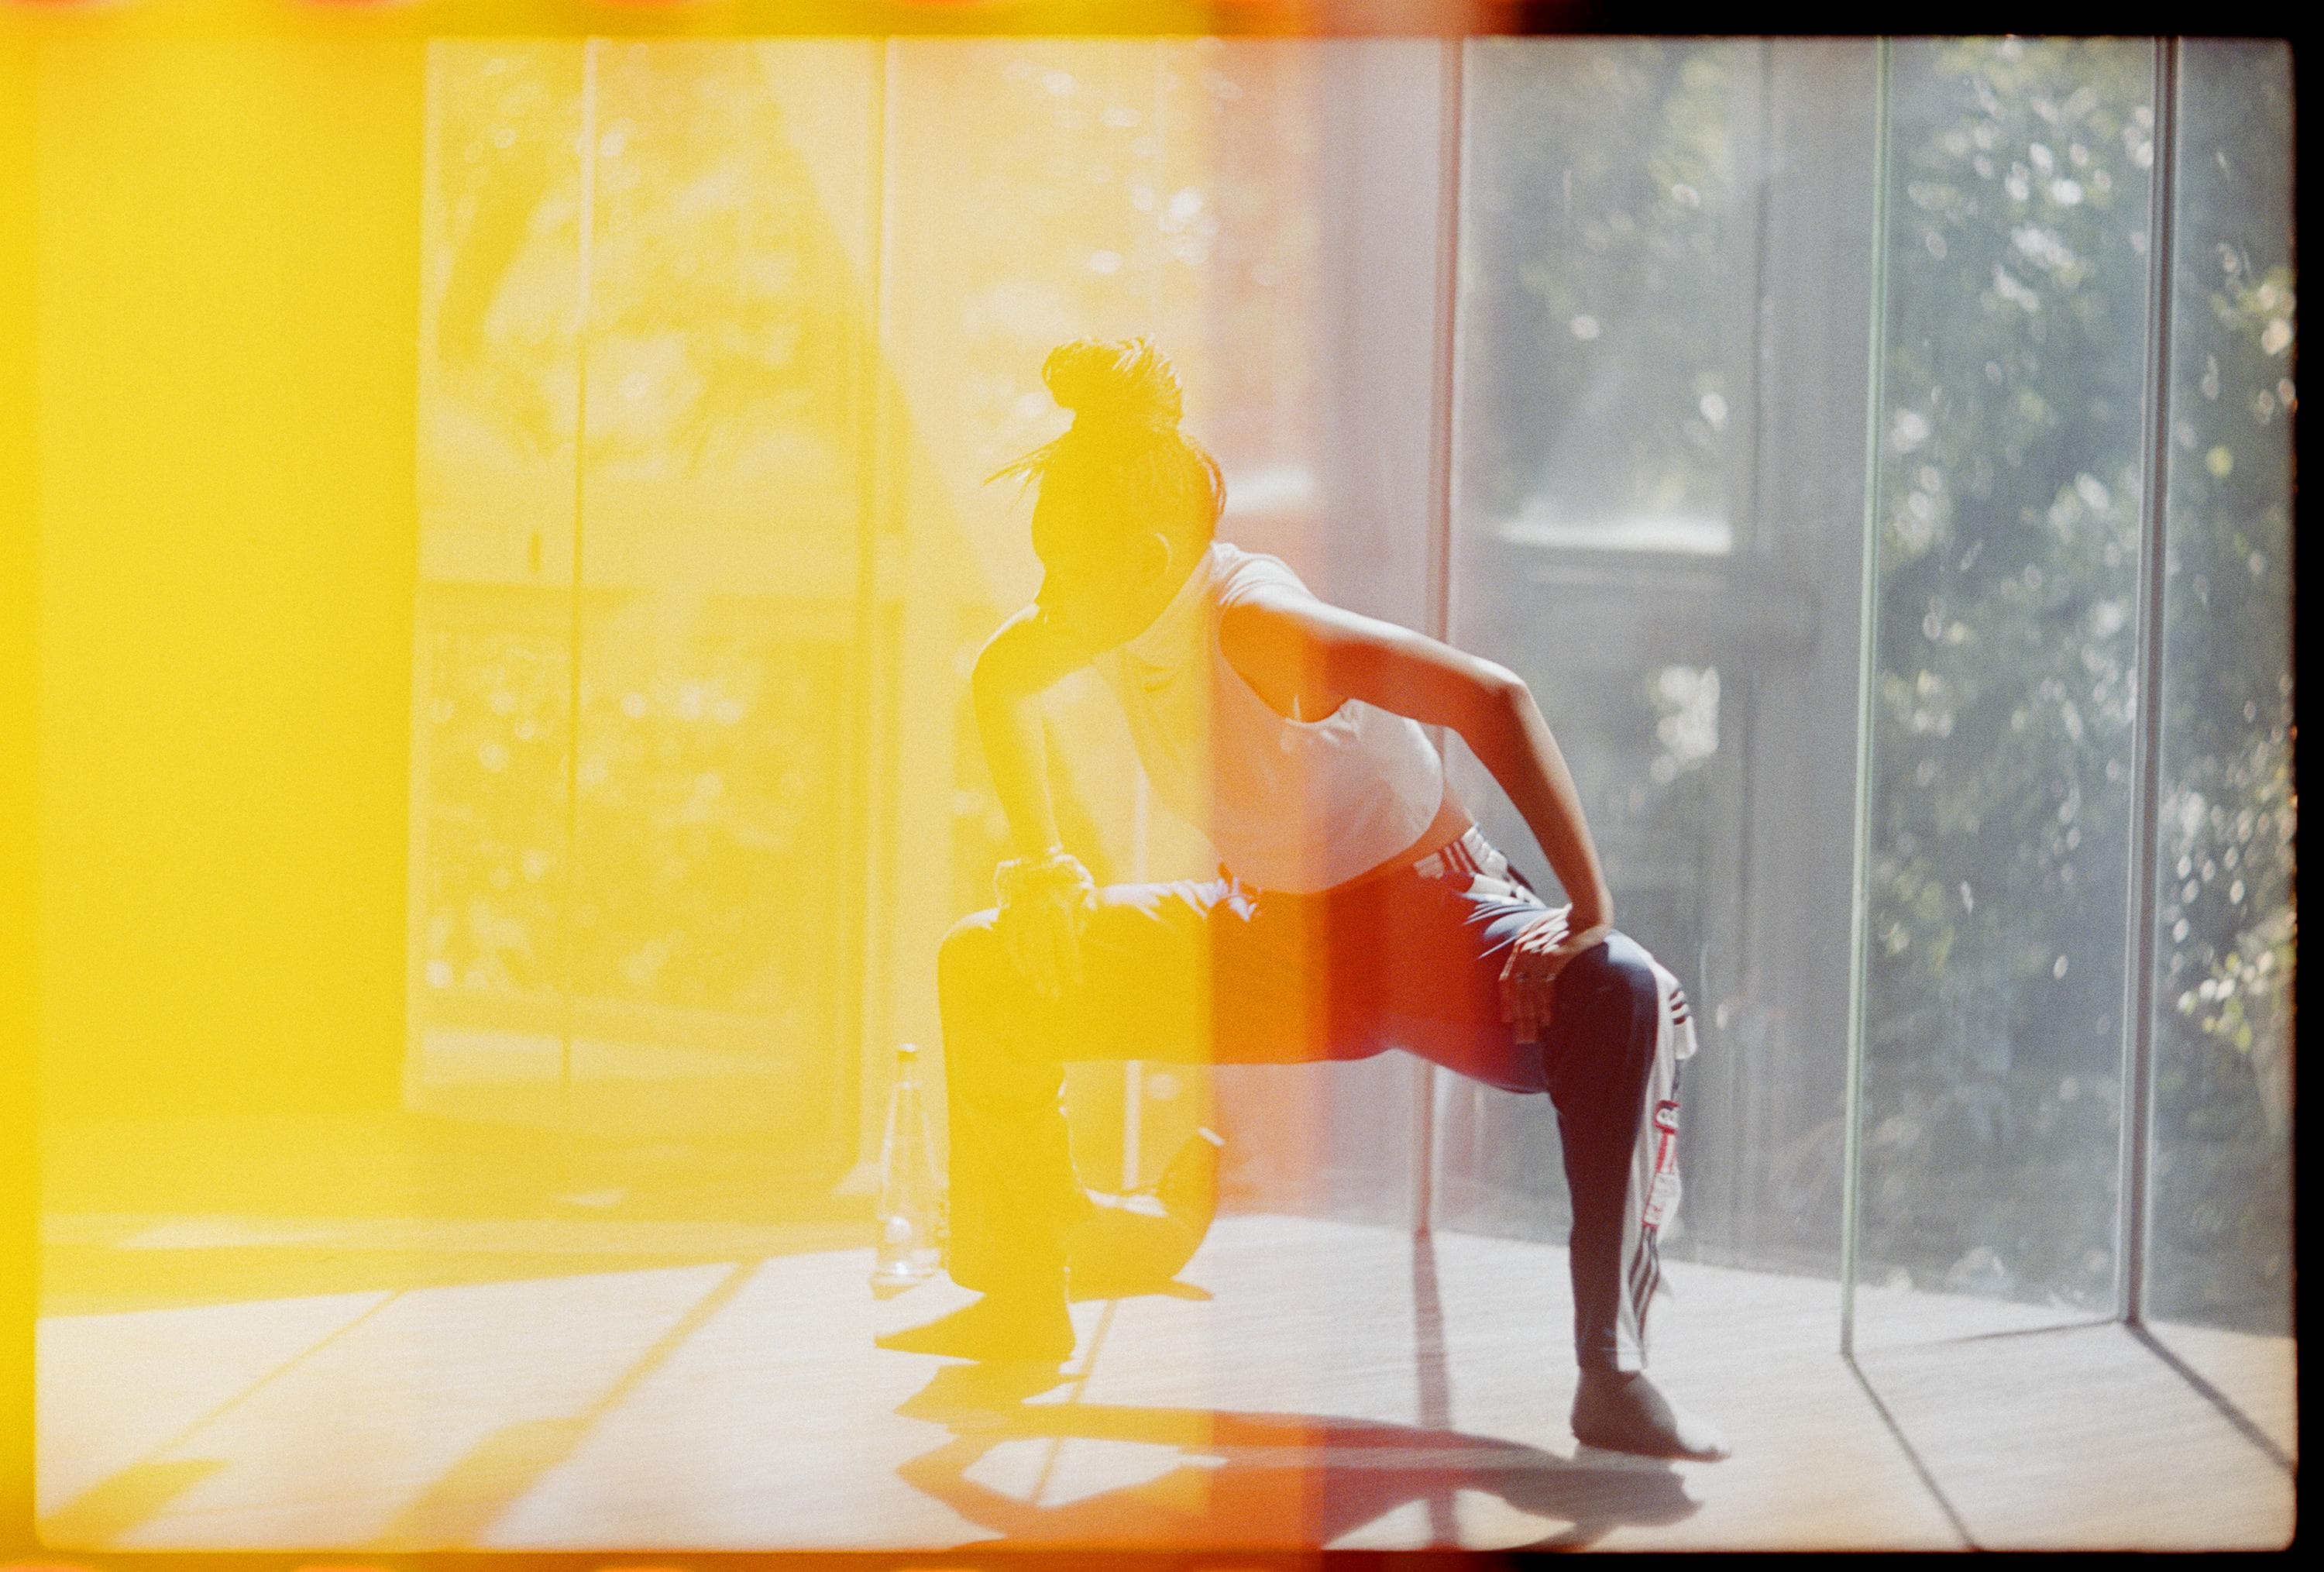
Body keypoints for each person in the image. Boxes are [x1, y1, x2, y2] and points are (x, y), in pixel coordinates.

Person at [877, 338, 1728, 1463]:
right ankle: (1023, 1297)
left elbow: (1493, 697)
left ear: (1142, 558)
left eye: (1058, 570)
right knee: (990, 963)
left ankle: (1610, 1371)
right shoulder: (1118, 612)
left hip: (1428, 927)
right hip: (1269, 935)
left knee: (1616, 993)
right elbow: (997, 678)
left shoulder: (1259, 629)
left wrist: (1587, 909)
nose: (1042, 594)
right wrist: (1042, 869)